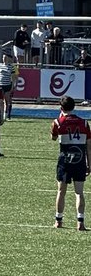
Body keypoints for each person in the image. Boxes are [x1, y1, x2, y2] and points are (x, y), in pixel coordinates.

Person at [50, 95, 90, 231]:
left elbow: (53, 138)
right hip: (79, 161)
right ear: (74, 107)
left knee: (61, 191)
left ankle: (58, 220)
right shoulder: (84, 123)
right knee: (79, 192)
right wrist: (89, 164)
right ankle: (80, 222)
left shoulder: (58, 122)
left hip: (65, 161)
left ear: (61, 107)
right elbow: (89, 146)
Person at [0, 52, 16, 119]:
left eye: (5, 58)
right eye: (3, 58)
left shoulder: (11, 66)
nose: (4, 59)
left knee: (7, 100)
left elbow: (13, 77)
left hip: (7, 85)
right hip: (0, 84)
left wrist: (13, 85)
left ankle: (6, 114)